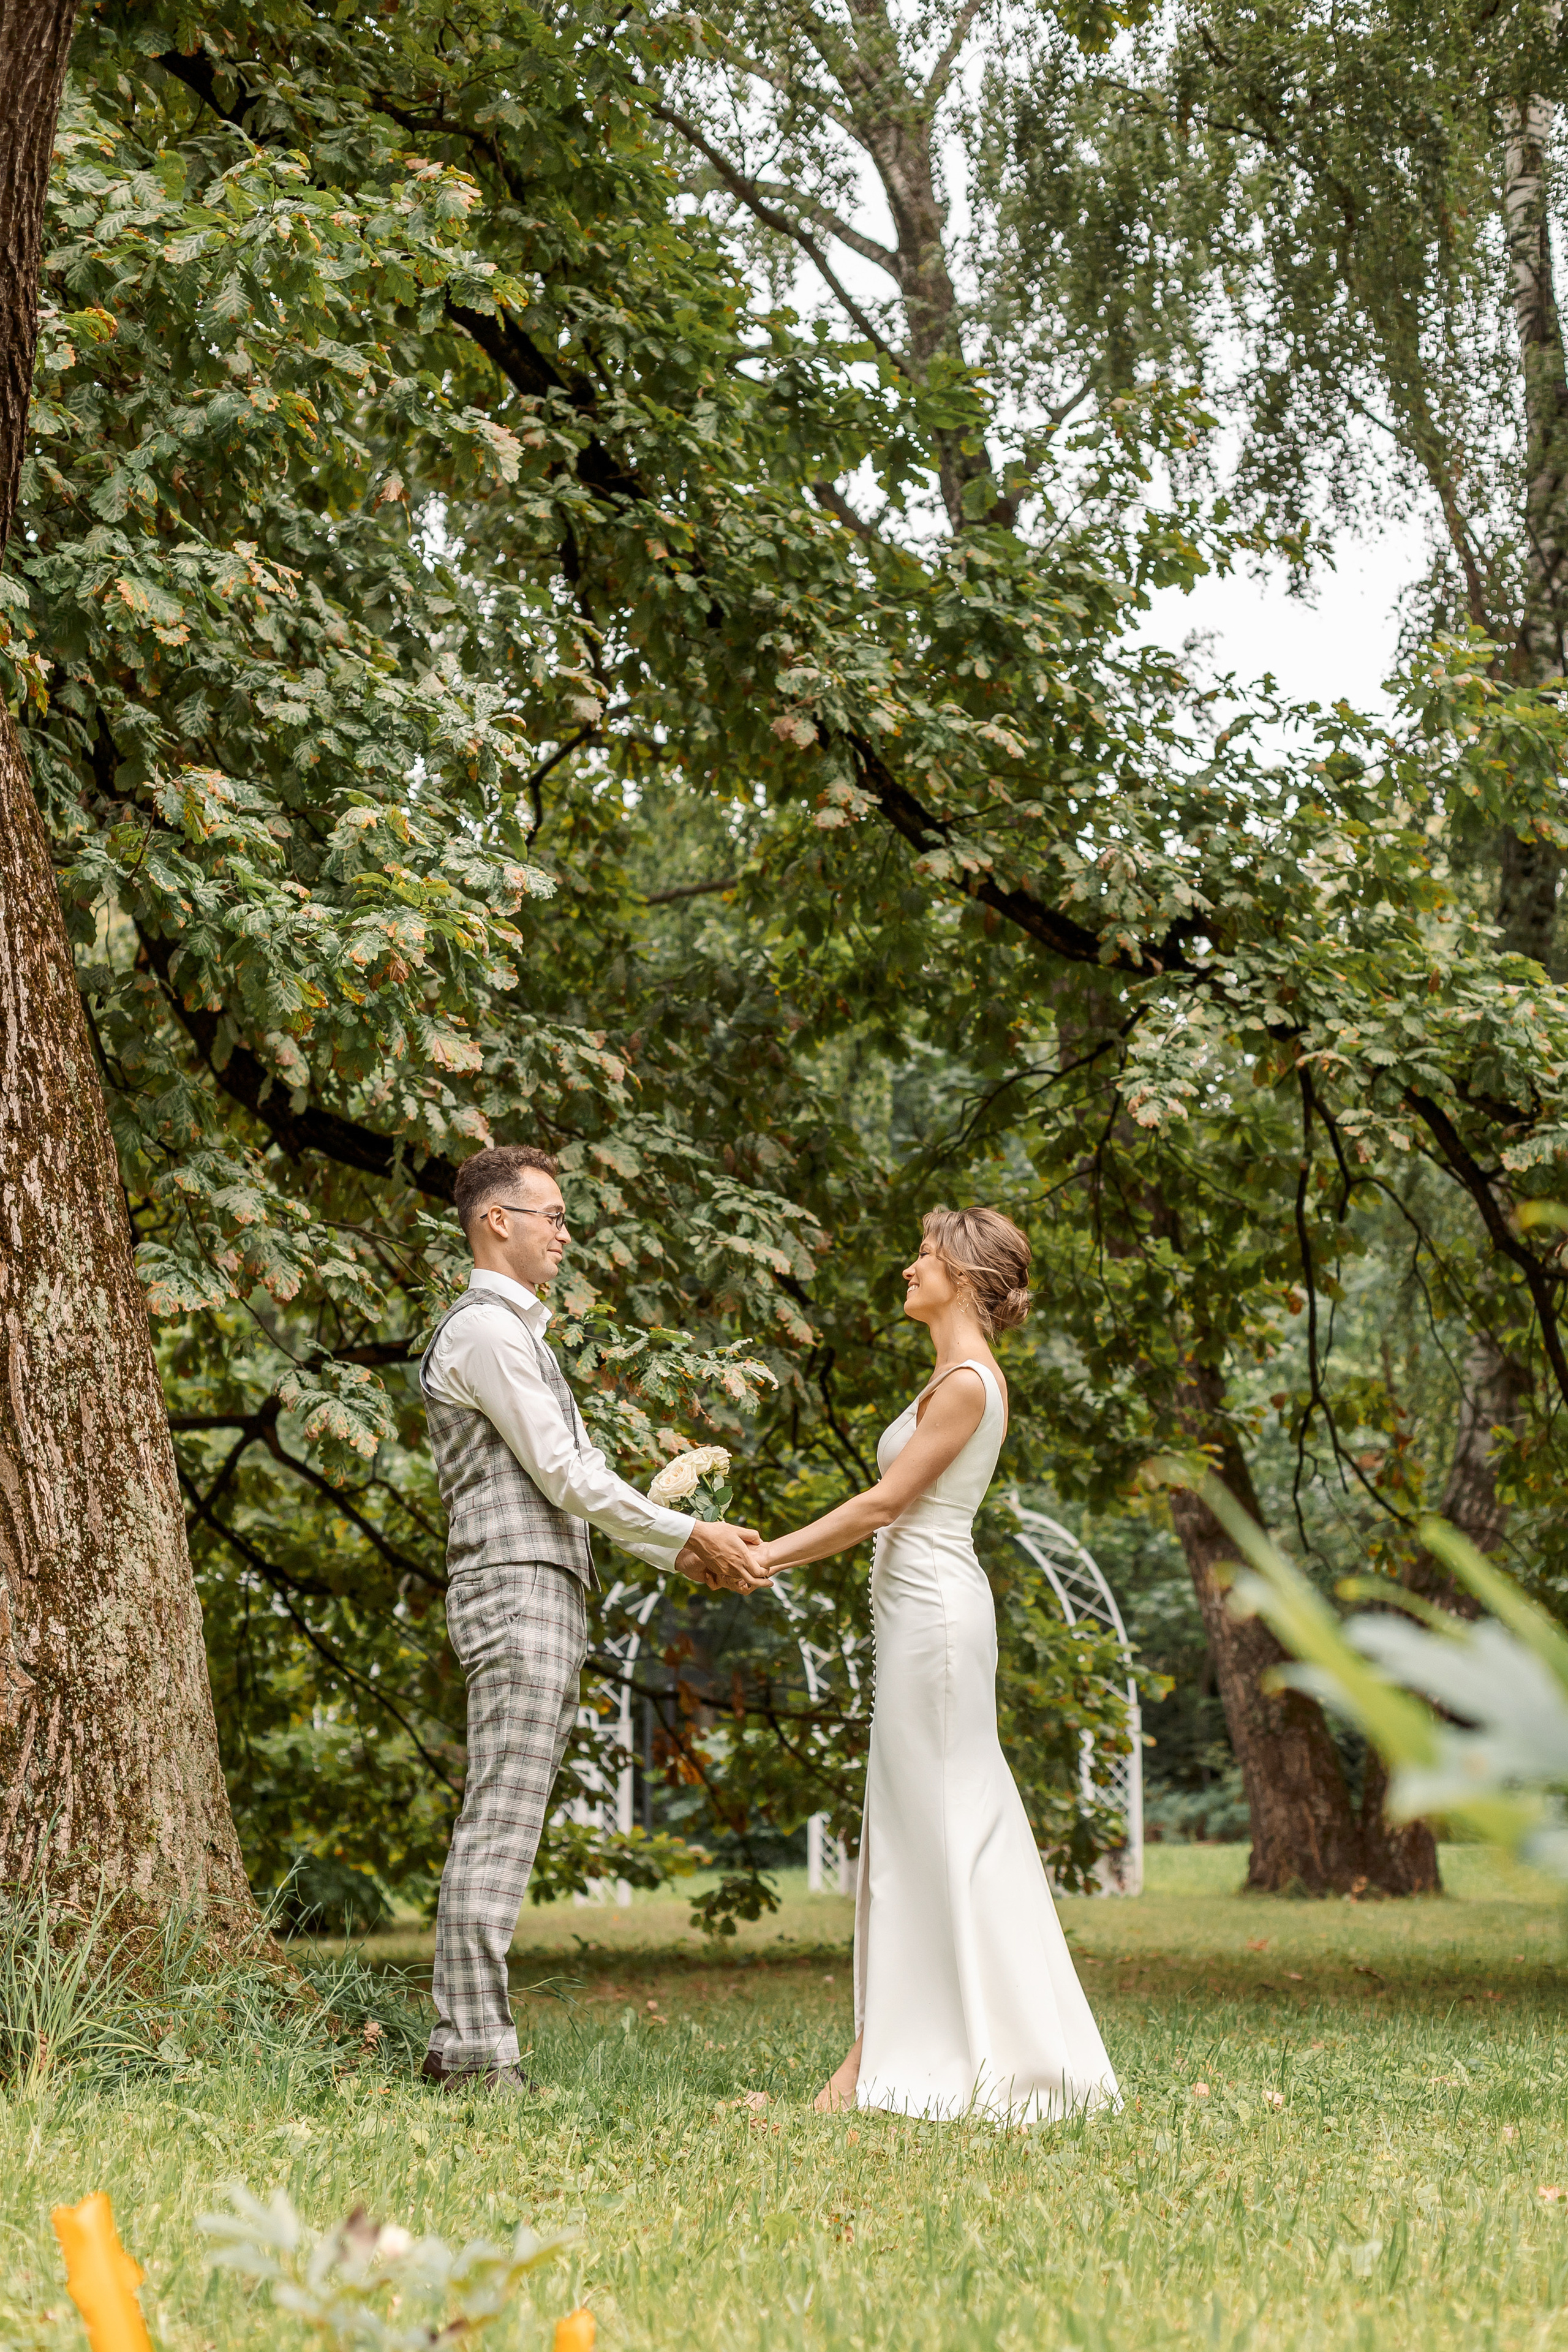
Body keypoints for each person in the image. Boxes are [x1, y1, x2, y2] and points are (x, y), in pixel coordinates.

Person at [754, 1206, 1120, 2125]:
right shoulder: (949, 1378)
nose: (909, 1268)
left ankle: (907, 2066)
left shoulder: (966, 1383)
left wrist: (766, 1556)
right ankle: (882, 2058)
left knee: (945, 1826)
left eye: (926, 1256)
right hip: (914, 1620)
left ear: (966, 1274)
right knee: (920, 1831)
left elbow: (883, 1506)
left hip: (939, 1624)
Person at [419, 1143, 769, 2095]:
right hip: (516, 1587)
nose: (566, 1236)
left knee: (507, 1816)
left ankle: (462, 2047)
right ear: (499, 1221)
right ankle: (474, 2056)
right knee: (502, 1819)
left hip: (537, 1587)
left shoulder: (515, 1336)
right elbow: (565, 1476)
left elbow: (570, 1481)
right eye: (554, 1217)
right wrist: (686, 1530)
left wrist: (677, 1544)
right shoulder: (487, 1333)